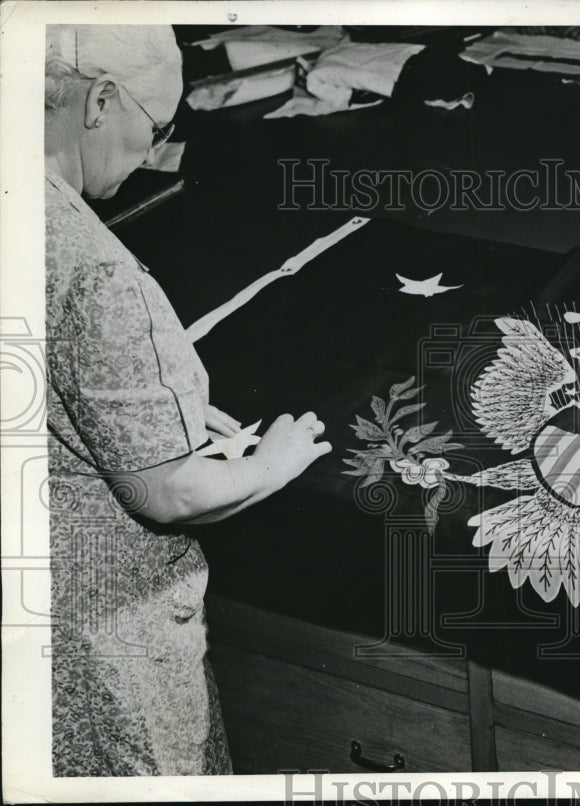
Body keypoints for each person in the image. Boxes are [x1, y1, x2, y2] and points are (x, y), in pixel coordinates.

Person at [44, 25, 331, 776]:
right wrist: (275, 461)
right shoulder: (98, 271)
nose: (153, 153)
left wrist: (128, 411)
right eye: (157, 126)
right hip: (98, 631)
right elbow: (170, 491)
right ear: (100, 100)